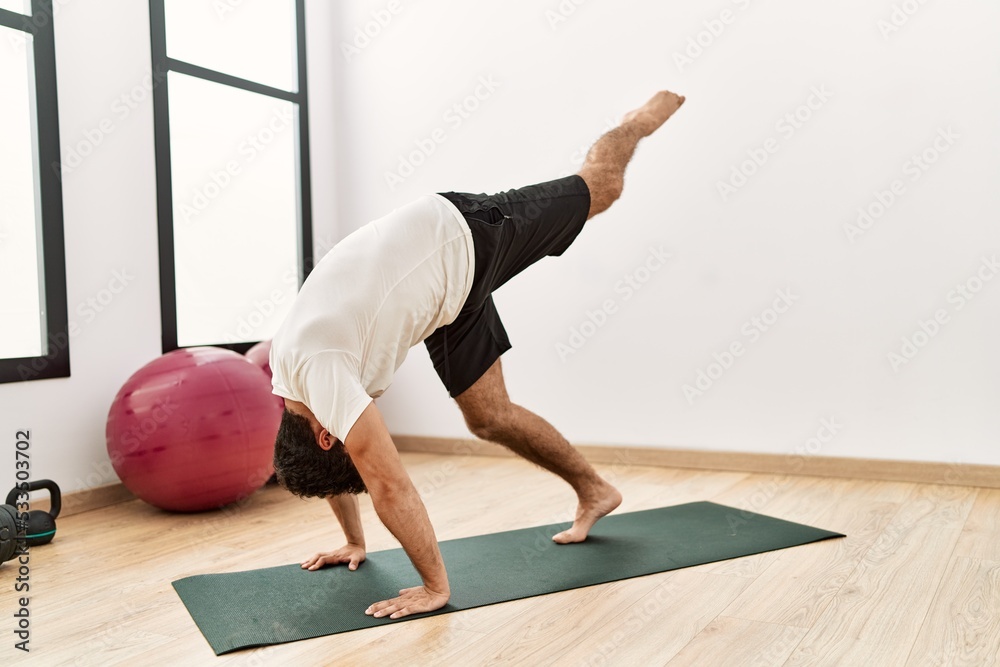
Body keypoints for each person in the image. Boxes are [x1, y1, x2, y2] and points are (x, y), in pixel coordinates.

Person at [269, 90, 686, 620]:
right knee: (489, 416)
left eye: (337, 446)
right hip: (443, 300)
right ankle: (596, 490)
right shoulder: (299, 394)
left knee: (603, 188)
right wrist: (356, 542)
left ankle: (636, 122)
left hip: (462, 233)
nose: (343, 444)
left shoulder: (321, 370)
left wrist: (434, 587)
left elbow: (388, 482)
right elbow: (340, 459)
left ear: (325, 433)